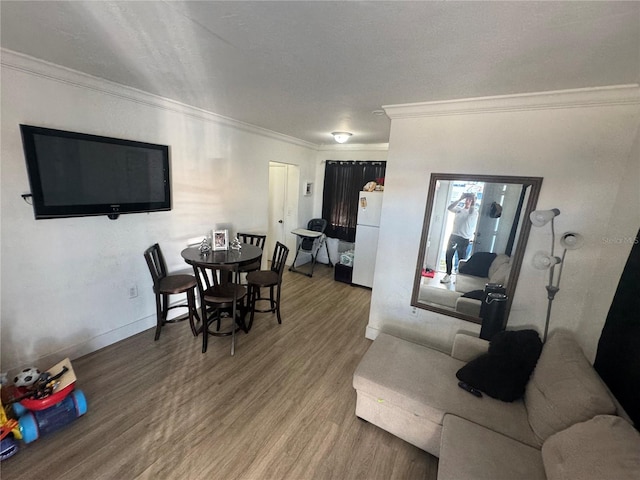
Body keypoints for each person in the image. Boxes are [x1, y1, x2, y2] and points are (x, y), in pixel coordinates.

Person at [441, 193, 478, 284]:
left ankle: (459, 277)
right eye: (467, 199)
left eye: (470, 200)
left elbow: (471, 212)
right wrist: (460, 199)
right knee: (449, 255)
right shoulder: (459, 210)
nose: (467, 201)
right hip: (454, 236)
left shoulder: (474, 212)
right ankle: (448, 275)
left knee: (461, 259)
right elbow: (449, 208)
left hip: (464, 238)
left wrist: (473, 200)